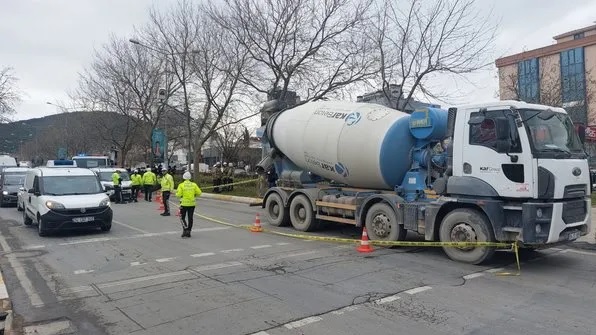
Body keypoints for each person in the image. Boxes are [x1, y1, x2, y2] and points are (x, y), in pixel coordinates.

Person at [176, 171, 202, 238]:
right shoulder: (194, 185)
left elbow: (178, 195)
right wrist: (194, 195)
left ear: (183, 178)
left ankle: (185, 230)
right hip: (192, 204)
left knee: (182, 217)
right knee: (190, 218)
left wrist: (176, 193)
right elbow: (199, 193)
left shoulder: (181, 185)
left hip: (183, 204)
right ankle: (189, 231)